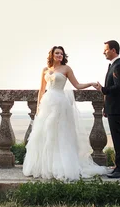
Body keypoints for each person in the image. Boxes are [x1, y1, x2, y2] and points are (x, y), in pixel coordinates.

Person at [22, 46, 109, 181]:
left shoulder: (66, 69)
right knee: (44, 134)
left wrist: (91, 83)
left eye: (61, 54)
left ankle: (60, 166)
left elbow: (77, 85)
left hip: (60, 104)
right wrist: (38, 107)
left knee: (59, 135)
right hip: (47, 103)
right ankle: (45, 166)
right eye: (57, 53)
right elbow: (41, 89)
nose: (59, 55)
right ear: (52, 55)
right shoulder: (45, 70)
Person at [93, 40, 120, 178]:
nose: (104, 52)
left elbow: (119, 87)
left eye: (106, 49)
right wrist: (105, 107)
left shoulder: (118, 66)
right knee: (116, 139)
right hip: (113, 108)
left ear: (113, 50)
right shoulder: (114, 65)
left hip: (117, 108)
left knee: (118, 139)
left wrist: (102, 89)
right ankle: (119, 167)